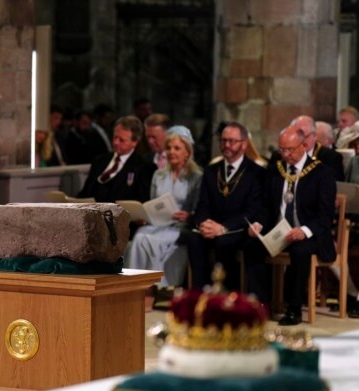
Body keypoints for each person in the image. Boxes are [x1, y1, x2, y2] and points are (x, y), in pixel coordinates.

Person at [245, 126, 337, 325]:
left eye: (290, 150)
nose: (285, 155)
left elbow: (325, 216)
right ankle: (261, 304)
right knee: (251, 245)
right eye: (282, 150)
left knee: (300, 251)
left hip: (309, 234)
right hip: (278, 232)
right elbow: (266, 205)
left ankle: (293, 309)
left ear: (304, 146)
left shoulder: (322, 173)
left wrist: (304, 231)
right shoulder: (275, 169)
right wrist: (258, 224)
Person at [185, 121, 265, 291]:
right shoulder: (211, 170)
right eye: (223, 141)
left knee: (224, 242)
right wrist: (203, 223)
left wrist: (223, 227)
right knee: (193, 239)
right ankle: (200, 294)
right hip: (211, 227)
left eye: (232, 141)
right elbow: (202, 204)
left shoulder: (256, 173)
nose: (226, 145)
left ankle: (228, 294)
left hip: (237, 228)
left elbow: (252, 210)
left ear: (243, 144)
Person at [127, 125, 203, 287]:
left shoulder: (196, 177)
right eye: (168, 148)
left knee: (156, 240)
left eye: (177, 148)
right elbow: (154, 203)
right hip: (159, 223)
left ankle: (159, 288)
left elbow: (199, 208)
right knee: (140, 236)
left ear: (187, 152)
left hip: (181, 227)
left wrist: (188, 215)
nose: (171, 152)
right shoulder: (159, 175)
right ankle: (135, 285)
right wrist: (145, 215)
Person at [76, 115, 156, 215]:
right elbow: (85, 193)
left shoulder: (144, 167)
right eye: (115, 137)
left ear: (134, 142)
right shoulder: (99, 161)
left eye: (121, 140)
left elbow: (140, 203)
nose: (115, 142)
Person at [291, 115, 345, 181]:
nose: (301, 141)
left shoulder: (330, 157)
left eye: (305, 137)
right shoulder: (281, 156)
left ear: (314, 136)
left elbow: (335, 186)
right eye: (296, 137)